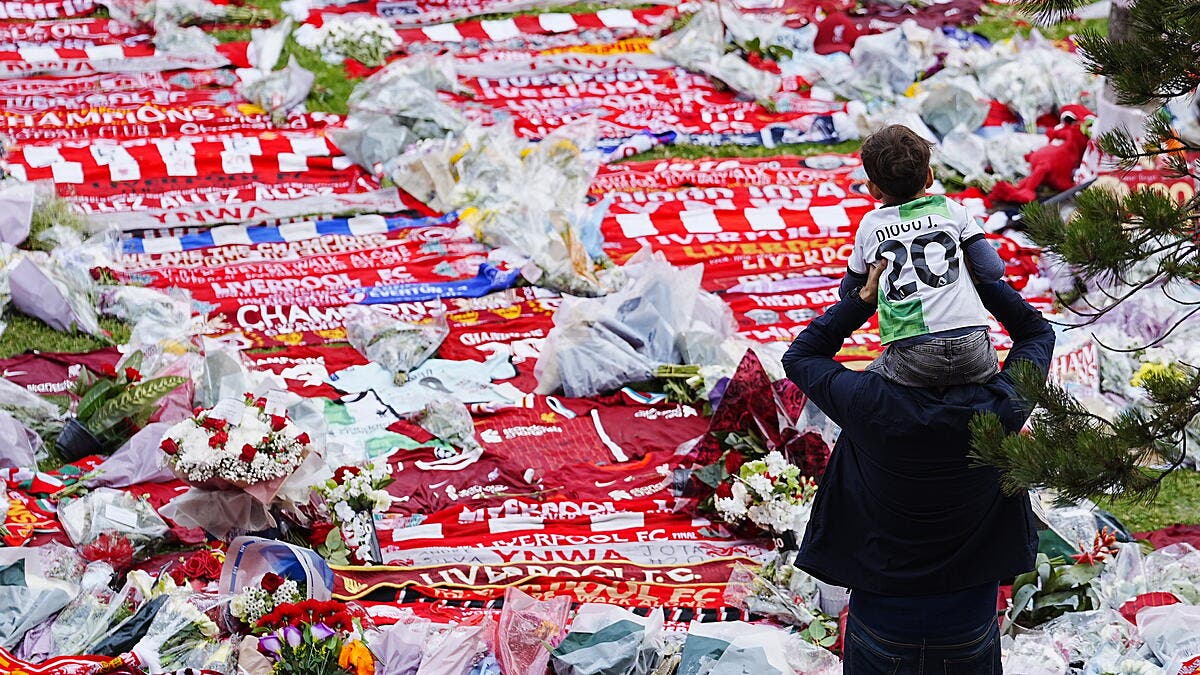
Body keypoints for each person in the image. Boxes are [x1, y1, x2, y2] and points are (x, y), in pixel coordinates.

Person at [781, 260, 1055, 673]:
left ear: (896, 354)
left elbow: (801, 355)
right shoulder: (1000, 406)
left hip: (881, 622)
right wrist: (983, 282)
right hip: (969, 627)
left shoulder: (867, 402)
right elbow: (1037, 332)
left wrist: (861, 301)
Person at [842, 124, 1008, 388]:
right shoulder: (953, 210)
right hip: (973, 348)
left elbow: (848, 292)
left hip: (914, 357)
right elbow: (992, 270)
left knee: (868, 387)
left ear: (873, 189)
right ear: (929, 177)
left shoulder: (870, 224)